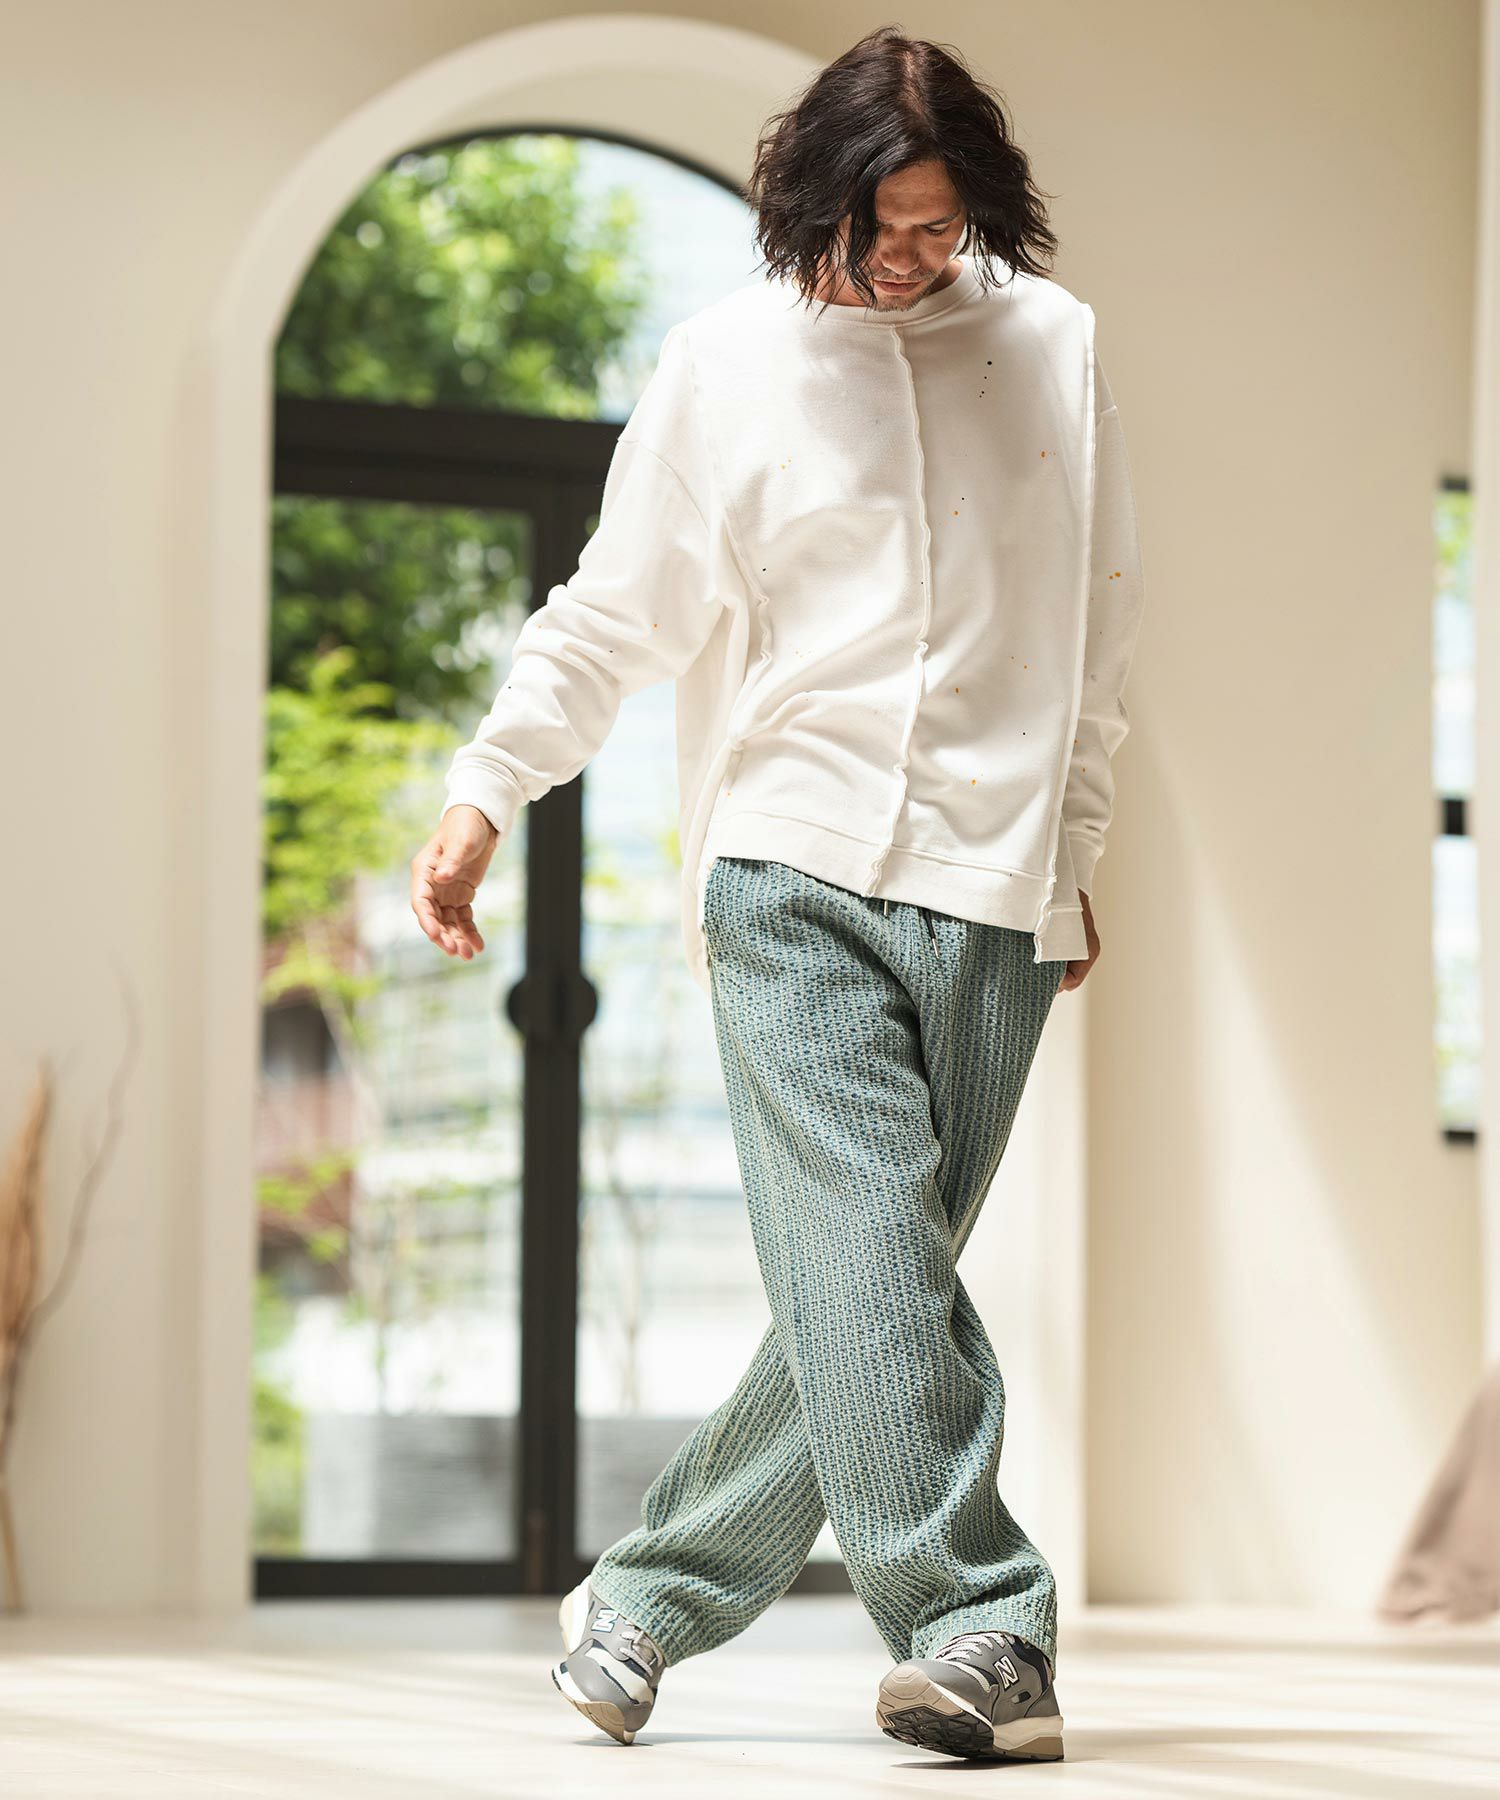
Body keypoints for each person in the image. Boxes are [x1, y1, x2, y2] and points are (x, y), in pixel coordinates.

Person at [409, 23, 1144, 1766]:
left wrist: (1073, 855)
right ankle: (982, 1627)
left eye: (939, 229)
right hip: (786, 860)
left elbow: (1095, 626)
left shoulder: (1052, 345)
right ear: (808, 200)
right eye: (880, 228)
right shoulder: (724, 364)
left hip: (991, 883)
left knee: (863, 1276)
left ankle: (647, 1603)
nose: (909, 258)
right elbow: (615, 612)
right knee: (870, 1249)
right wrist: (488, 786)